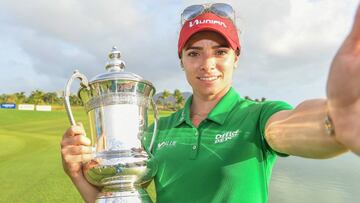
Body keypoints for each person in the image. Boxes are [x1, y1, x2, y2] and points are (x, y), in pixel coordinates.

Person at [60, 3, 360, 203]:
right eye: (194, 53)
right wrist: (76, 173)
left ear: (236, 59)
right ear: (182, 62)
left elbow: (290, 127)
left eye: (220, 52)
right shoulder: (157, 131)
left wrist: (334, 120)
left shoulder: (257, 116)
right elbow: (119, 197)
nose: (208, 64)